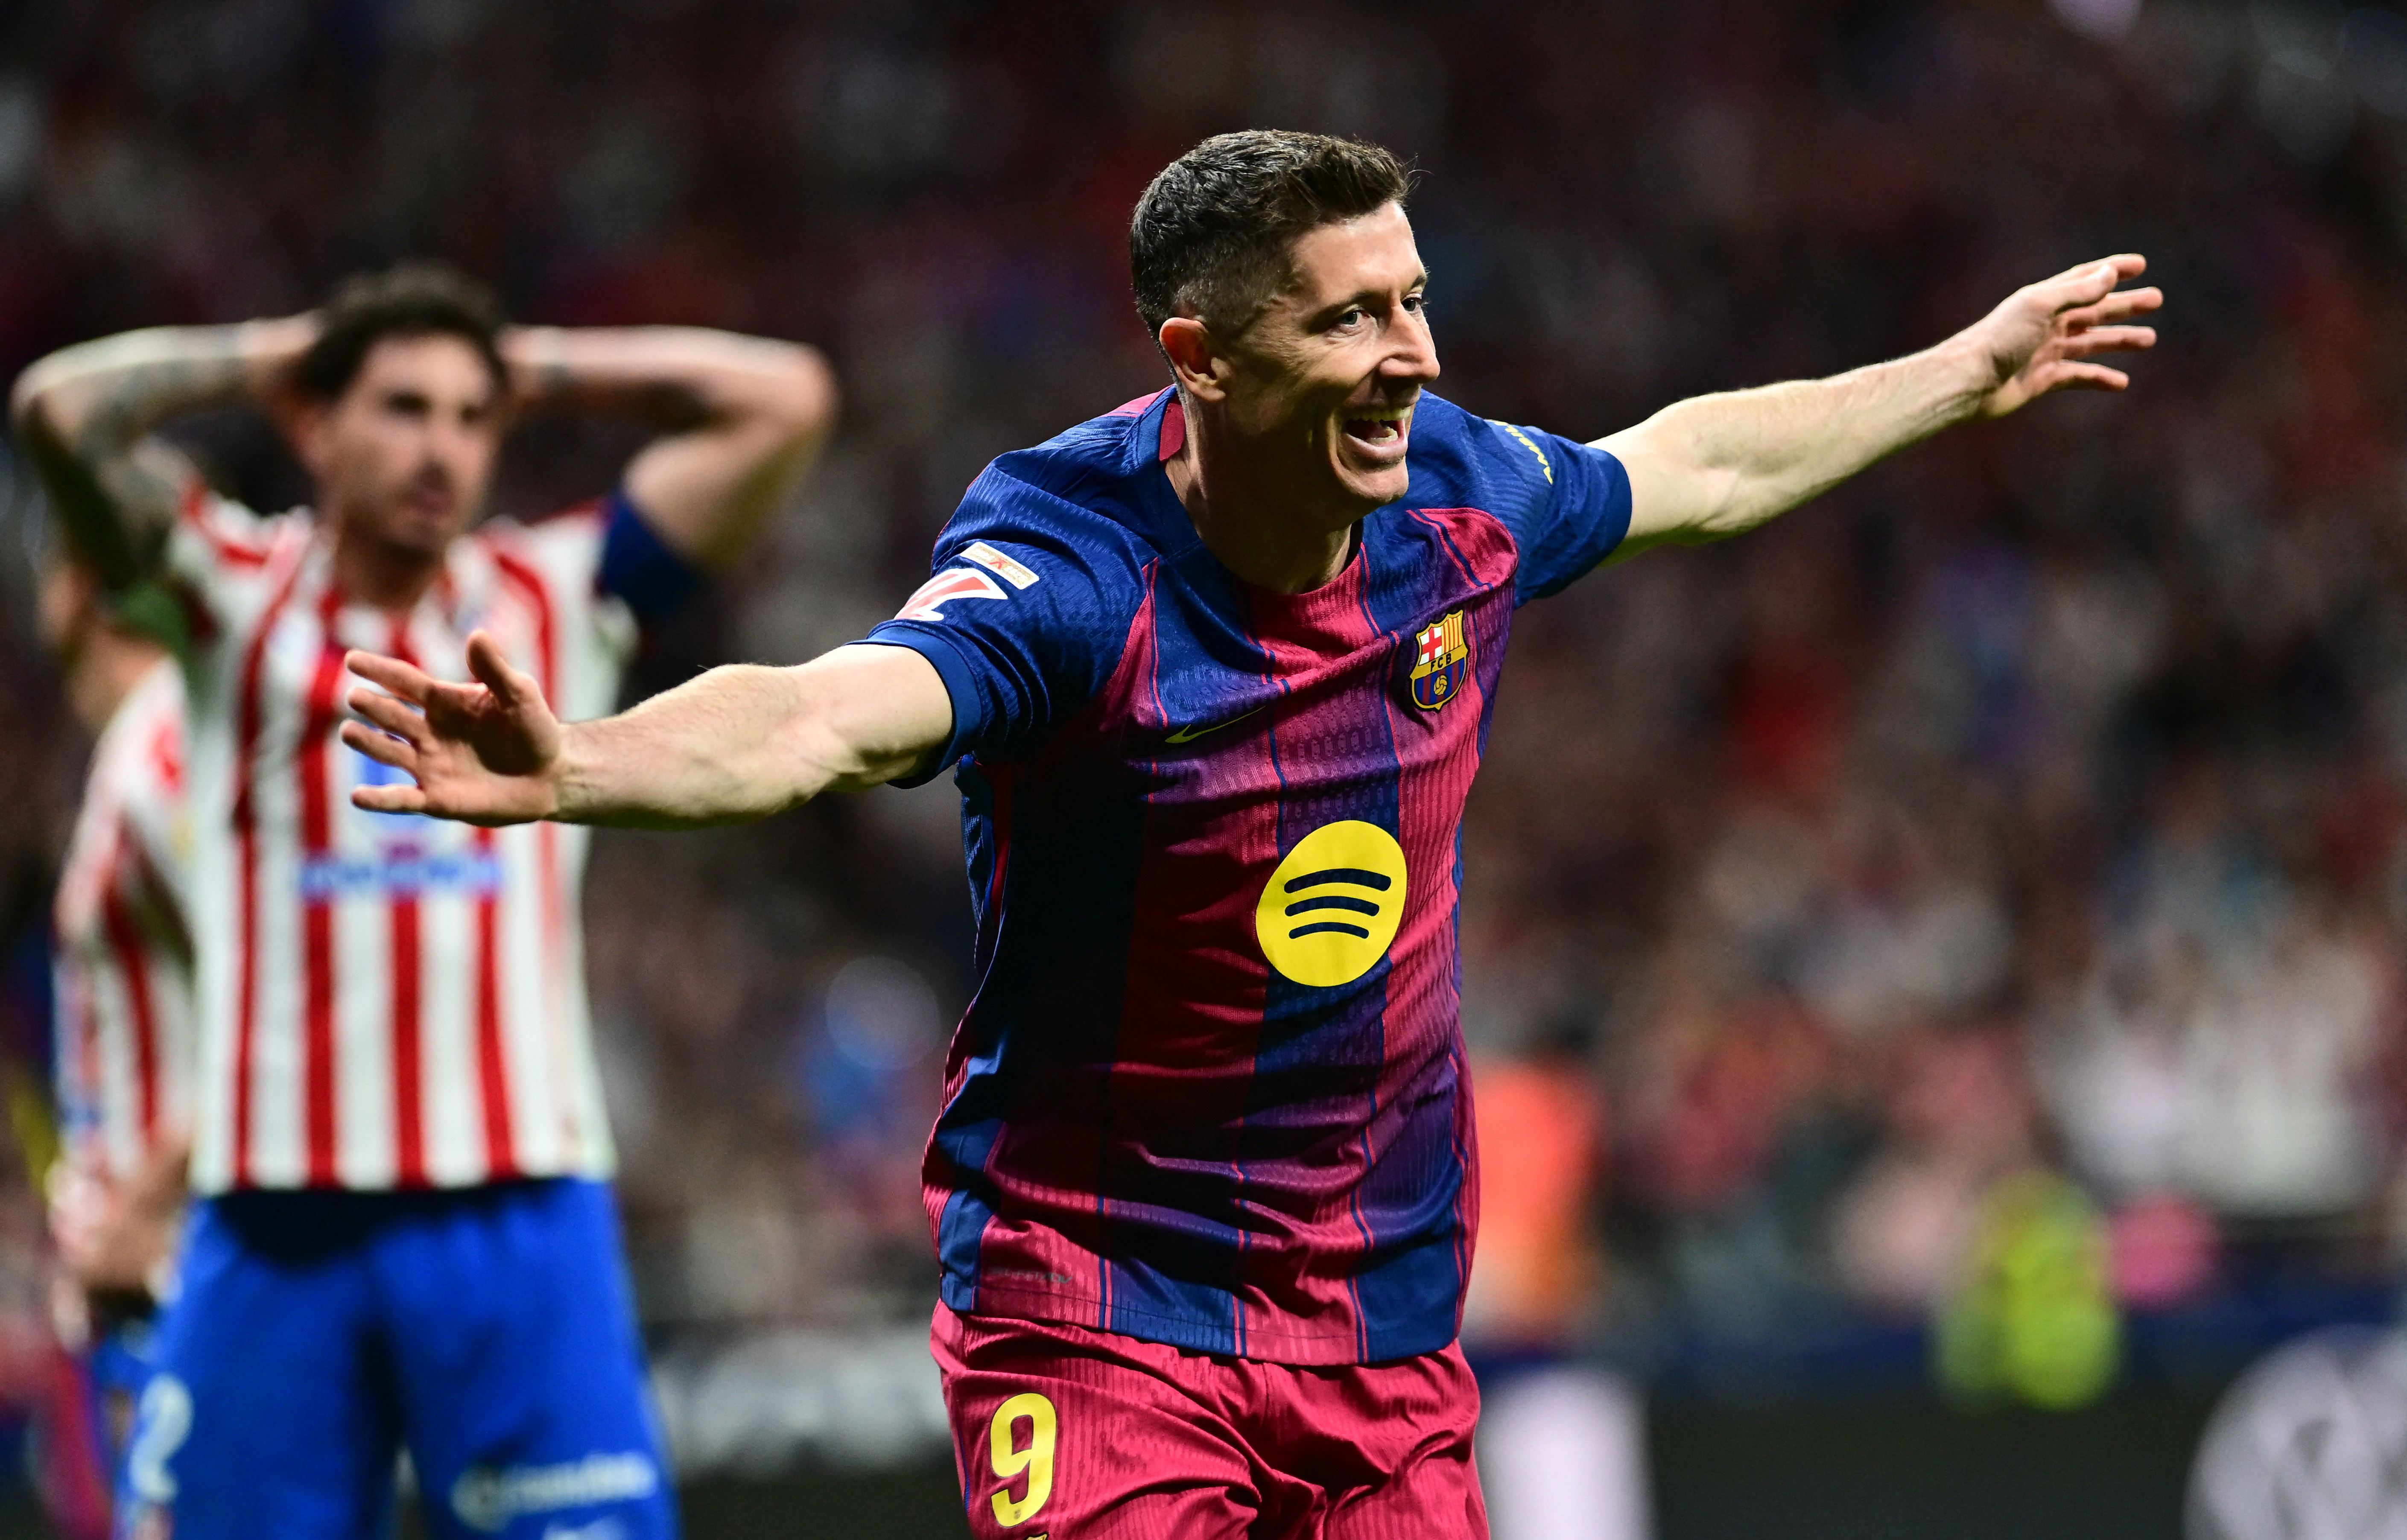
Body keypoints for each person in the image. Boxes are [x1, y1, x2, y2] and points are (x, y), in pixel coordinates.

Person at [336, 132, 2157, 1537]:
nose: (1406, 357)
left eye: (1412, 299)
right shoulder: (1071, 574)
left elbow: (1695, 465)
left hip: (1380, 1328)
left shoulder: (1459, 493)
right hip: (1102, 1310)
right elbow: (823, 713)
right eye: (1350, 317)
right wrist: (582, 757)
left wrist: (1955, 372)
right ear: (1200, 357)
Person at [10, 262, 837, 1540]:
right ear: (315, 424)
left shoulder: (559, 592)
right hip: (271, 1226)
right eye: (400, 406)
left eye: (469, 417)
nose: (440, 447)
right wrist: (280, 349)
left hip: (518, 1213)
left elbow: (782, 401)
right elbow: (62, 413)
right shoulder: (230, 597)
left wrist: (532, 363)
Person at [36, 552, 193, 1540]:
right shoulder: (141, 747)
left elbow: (295, 992)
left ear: (76, 587)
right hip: (148, 1281)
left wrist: (145, 1201)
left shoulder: (168, 754)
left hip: (188, 1270)